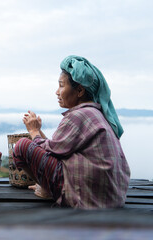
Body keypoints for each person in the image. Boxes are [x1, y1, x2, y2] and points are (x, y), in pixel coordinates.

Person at [13, 55, 130, 209]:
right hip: (110, 199)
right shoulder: (95, 114)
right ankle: (47, 186)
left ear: (80, 90)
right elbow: (58, 149)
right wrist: (39, 132)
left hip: (88, 199)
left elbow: (52, 150)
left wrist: (34, 131)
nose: (57, 92)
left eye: (61, 86)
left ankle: (47, 190)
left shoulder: (79, 115)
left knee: (21, 146)